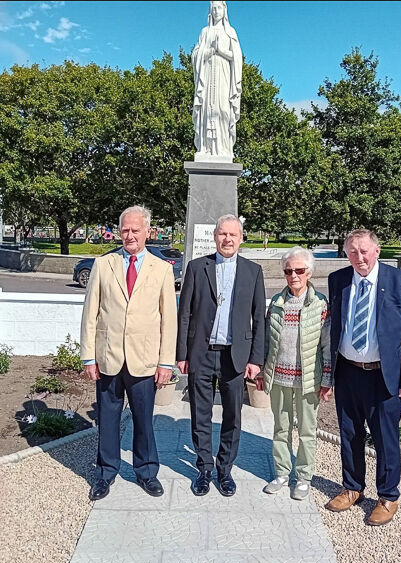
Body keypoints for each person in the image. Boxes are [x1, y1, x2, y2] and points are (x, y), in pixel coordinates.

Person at [80, 205, 177, 501]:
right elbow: (90, 314)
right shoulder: (103, 265)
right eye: (125, 230)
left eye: (136, 230)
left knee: (143, 420)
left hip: (144, 360)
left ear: (148, 232)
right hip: (108, 357)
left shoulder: (161, 269)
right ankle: (105, 472)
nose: (130, 235)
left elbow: (168, 319)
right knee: (107, 419)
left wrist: (165, 362)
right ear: (119, 231)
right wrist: (88, 356)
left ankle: (146, 472)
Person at [326, 229, 401, 525]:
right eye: (353, 252)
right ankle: (353, 488)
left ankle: (388, 495)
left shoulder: (398, 282)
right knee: (350, 433)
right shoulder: (338, 280)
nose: (360, 257)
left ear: (377, 251)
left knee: (385, 438)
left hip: (384, 377)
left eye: (364, 251)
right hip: (348, 372)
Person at [177, 214, 265, 497]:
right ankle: (204, 468)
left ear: (241, 238)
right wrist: (182, 353)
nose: (227, 239)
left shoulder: (253, 272)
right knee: (200, 414)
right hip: (201, 353)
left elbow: (258, 319)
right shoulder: (196, 267)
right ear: (215, 236)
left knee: (232, 416)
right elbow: (185, 314)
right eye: (222, 234)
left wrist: (255, 359)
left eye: (233, 235)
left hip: (234, 356)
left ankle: (225, 469)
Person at [256, 247, 332, 500]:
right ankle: (281, 472)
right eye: (288, 271)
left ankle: (303, 477)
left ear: (309, 272)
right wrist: (261, 372)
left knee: (308, 431)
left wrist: (328, 378)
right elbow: (267, 341)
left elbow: (327, 345)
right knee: (281, 428)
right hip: (279, 377)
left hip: (309, 378)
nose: (294, 275)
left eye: (299, 270)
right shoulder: (276, 304)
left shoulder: (320, 305)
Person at [192, 1, 242, 160]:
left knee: (222, 111)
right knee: (207, 111)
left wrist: (221, 50)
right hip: (207, 78)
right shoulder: (205, 32)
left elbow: (237, 58)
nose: (216, 11)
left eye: (219, 7)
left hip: (224, 77)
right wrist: (210, 50)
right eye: (213, 8)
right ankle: (205, 148)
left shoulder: (230, 32)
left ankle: (223, 149)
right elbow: (196, 55)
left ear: (224, 10)